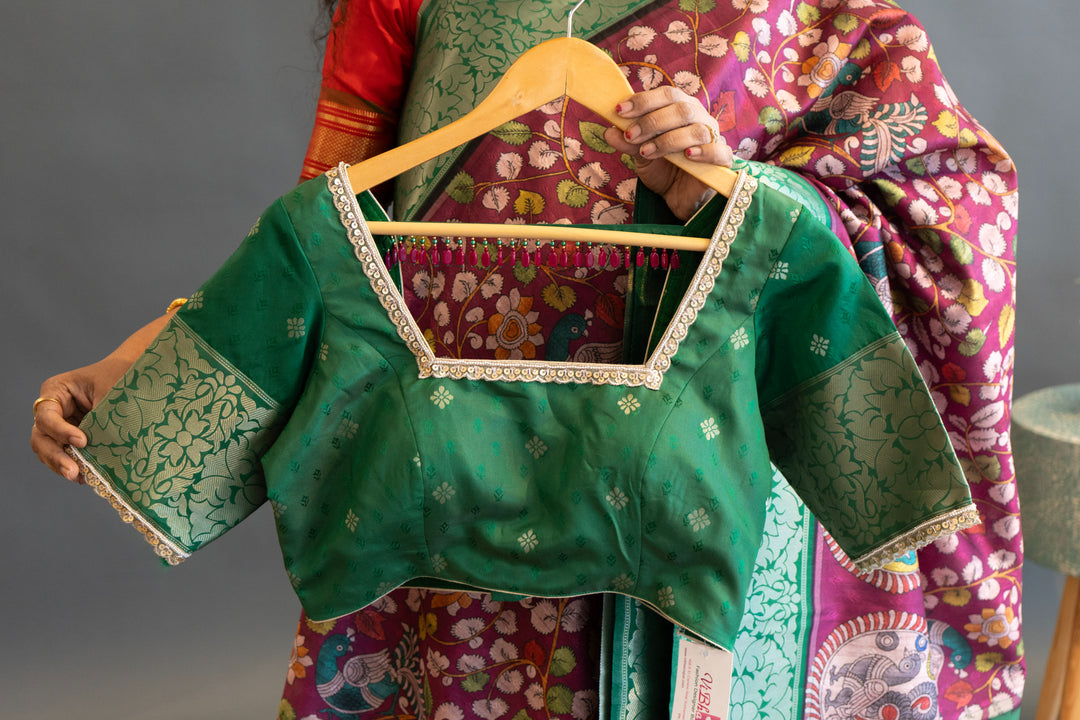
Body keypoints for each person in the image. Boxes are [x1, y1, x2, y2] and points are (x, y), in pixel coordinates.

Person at [33, 1, 1022, 719]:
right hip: (448, 493)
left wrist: (736, 201)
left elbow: (948, 212)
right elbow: (309, 252)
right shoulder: (396, 6)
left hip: (699, 489)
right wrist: (123, 371)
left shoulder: (817, 13)